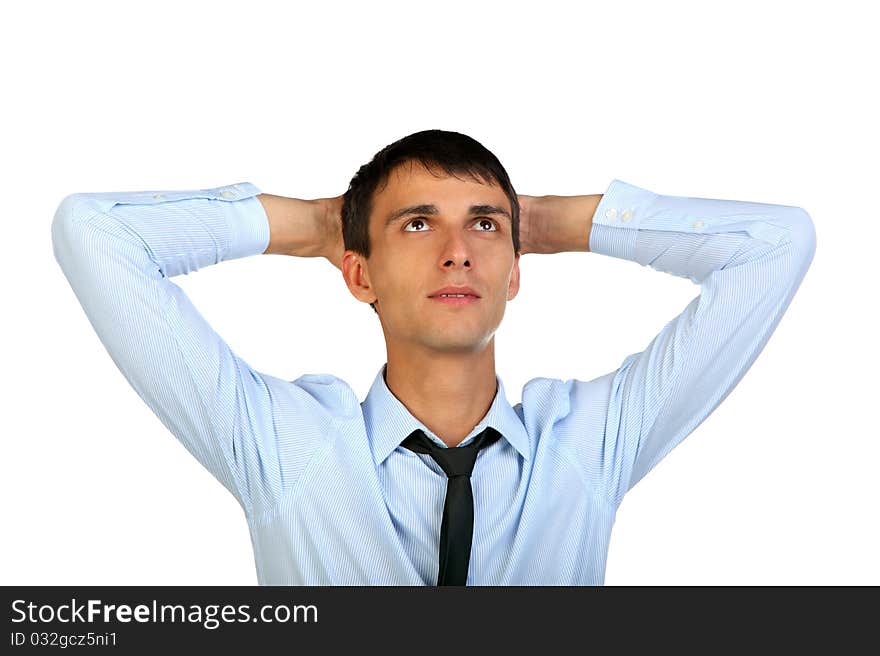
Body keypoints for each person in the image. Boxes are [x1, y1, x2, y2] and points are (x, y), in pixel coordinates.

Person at [51, 129, 816, 585]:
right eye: (418, 226)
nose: (457, 253)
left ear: (516, 272)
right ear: (360, 274)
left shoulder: (586, 445)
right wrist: (323, 223)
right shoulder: (289, 449)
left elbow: (779, 244)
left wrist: (543, 222)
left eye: (483, 226)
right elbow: (95, 232)